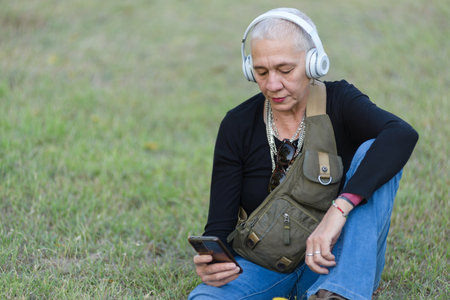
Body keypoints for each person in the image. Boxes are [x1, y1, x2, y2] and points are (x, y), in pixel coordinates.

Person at [188, 7, 418, 300]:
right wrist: (211, 263)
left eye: (285, 70)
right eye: (261, 72)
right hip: (264, 265)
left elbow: (402, 134)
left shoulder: (341, 101)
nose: (272, 85)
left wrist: (339, 209)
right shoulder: (237, 124)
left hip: (338, 261)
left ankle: (338, 293)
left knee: (374, 150)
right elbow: (219, 227)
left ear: (313, 64)